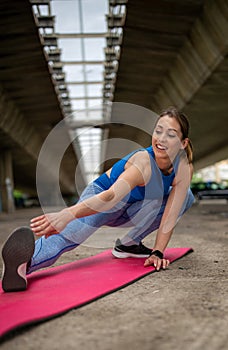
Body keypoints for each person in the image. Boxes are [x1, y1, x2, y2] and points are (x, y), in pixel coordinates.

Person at [1, 107, 195, 292]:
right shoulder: (143, 161)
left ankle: (128, 245)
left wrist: (158, 252)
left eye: (171, 134)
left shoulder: (183, 168)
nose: (161, 139)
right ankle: (22, 266)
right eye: (158, 131)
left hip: (132, 210)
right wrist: (67, 214)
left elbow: (170, 214)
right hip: (103, 198)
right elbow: (110, 197)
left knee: (186, 196)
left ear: (183, 143)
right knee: (68, 236)